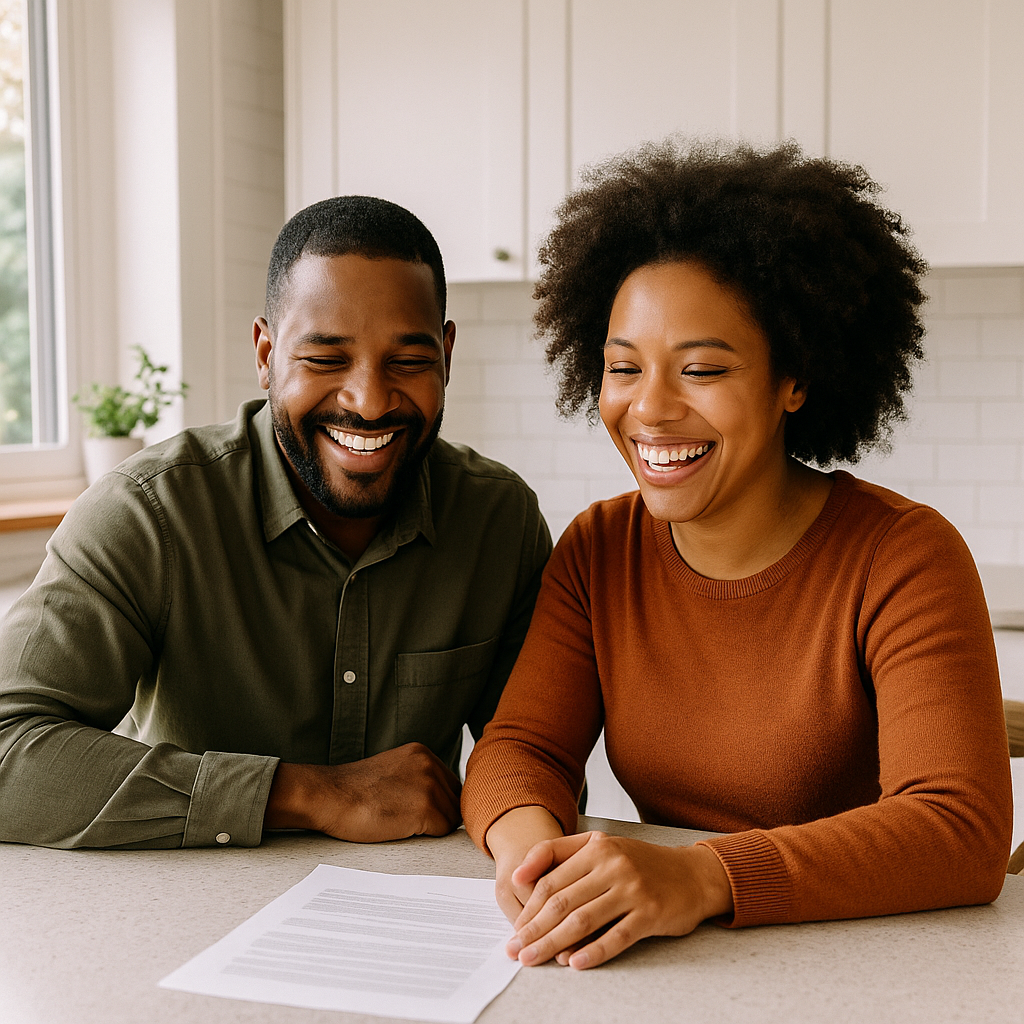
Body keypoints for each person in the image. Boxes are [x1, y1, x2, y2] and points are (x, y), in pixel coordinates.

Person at [461, 140, 1013, 970]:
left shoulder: (903, 556)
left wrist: (699, 878)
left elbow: (958, 829)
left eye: (703, 369)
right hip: (684, 963)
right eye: (622, 367)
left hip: (875, 963)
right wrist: (535, 858)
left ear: (794, 379)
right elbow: (518, 749)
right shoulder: (599, 550)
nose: (649, 409)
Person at [0, 196, 551, 850]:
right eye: (324, 359)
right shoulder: (149, 514)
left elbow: (533, 751)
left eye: (408, 361)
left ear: (447, 354)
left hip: (415, 918)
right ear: (265, 353)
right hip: (187, 920)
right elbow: (9, 750)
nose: (369, 401)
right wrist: (311, 792)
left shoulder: (498, 520)